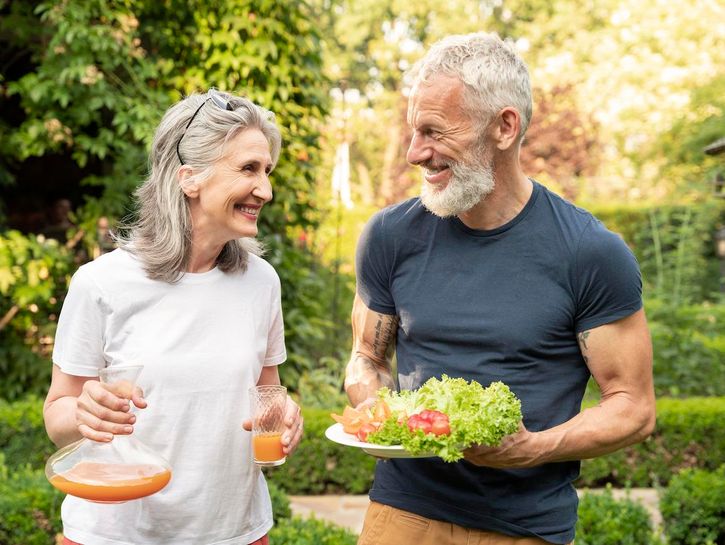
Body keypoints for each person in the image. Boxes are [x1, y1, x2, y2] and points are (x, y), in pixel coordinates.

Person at [344, 33, 655, 545]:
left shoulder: (588, 252)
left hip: (525, 526)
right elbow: (366, 358)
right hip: (403, 514)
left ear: (504, 127)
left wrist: (531, 447)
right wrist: (376, 411)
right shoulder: (390, 236)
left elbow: (633, 407)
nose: (414, 153)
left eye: (434, 132)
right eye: (412, 131)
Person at [43, 89, 303, 545]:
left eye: (267, 170)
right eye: (248, 169)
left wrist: (283, 414)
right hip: (114, 533)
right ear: (189, 179)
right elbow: (57, 416)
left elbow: (266, 393)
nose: (266, 189)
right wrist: (84, 412)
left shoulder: (261, 282)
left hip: (233, 531)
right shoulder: (100, 283)